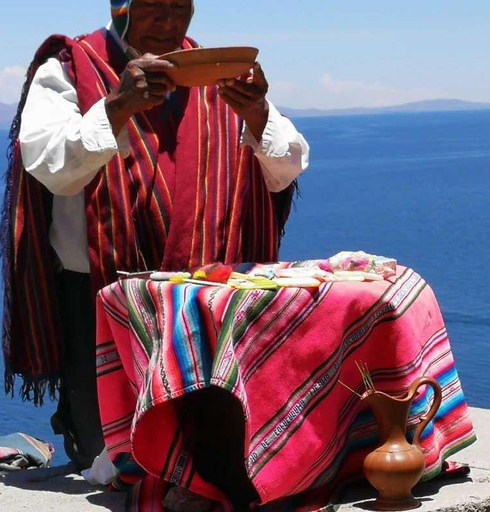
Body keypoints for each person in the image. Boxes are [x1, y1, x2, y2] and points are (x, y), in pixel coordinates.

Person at [1, 0, 309, 470]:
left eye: (180, 9)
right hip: (103, 296)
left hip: (206, 297)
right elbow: (51, 168)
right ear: (121, 7)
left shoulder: (213, 70)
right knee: (105, 447)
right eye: (153, 9)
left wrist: (258, 115)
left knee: (209, 441)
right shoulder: (69, 67)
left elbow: (286, 167)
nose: (169, 23)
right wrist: (117, 106)